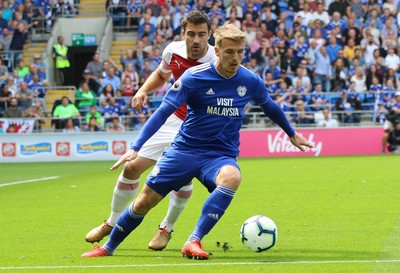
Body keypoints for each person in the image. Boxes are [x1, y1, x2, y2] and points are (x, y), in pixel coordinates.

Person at [81, 24, 313, 259]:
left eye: (240, 52)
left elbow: (270, 106)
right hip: (185, 150)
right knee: (144, 202)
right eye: (230, 51)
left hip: (219, 156)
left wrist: (291, 133)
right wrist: (136, 147)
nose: (235, 58)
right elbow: (162, 112)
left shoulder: (250, 80)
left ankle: (194, 240)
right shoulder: (194, 77)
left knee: (232, 177)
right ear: (218, 49)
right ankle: (107, 247)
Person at [84, 10, 216, 251]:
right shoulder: (172, 50)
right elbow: (160, 74)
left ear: (210, 35)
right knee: (131, 166)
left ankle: (166, 228)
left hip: (196, 127)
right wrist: (143, 90)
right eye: (192, 34)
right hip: (172, 120)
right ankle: (111, 222)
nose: (197, 40)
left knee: (181, 178)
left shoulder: (216, 60)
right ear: (183, 34)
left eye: (202, 34)